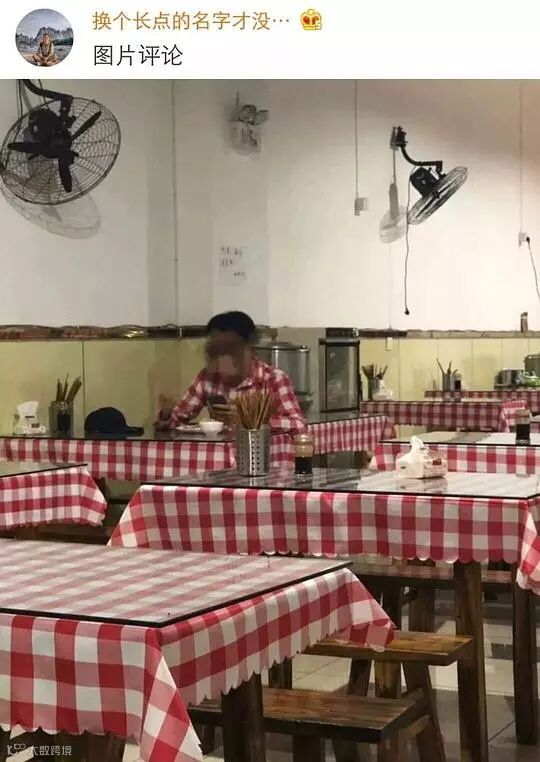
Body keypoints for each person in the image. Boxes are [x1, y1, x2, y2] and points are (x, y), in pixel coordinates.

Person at [158, 311, 306, 434]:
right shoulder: (207, 378)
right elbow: (175, 420)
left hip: (262, 455)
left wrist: (250, 421)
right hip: (220, 456)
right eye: (216, 351)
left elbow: (298, 425)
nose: (222, 360)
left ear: (249, 349)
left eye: (230, 350)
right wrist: (167, 414)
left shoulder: (273, 379)